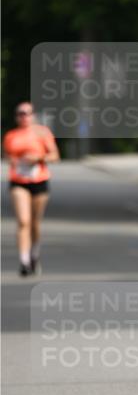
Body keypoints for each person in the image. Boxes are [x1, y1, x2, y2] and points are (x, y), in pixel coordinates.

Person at [3, 102, 60, 276]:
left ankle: (34, 254)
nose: (24, 116)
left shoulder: (42, 133)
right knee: (23, 221)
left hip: (39, 180)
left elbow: (55, 156)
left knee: (35, 223)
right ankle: (24, 261)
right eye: (20, 113)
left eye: (27, 113)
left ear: (33, 115)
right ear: (16, 116)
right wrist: (12, 160)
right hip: (18, 181)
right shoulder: (11, 136)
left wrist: (38, 157)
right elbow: (6, 155)